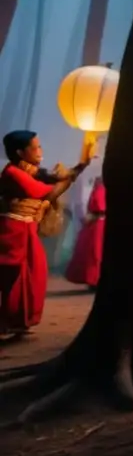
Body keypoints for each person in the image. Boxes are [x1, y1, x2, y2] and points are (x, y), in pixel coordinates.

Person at [0, 131, 89, 334]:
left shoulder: (31, 170)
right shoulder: (13, 173)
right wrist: (71, 176)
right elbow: (45, 190)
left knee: (33, 273)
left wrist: (80, 166)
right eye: (35, 147)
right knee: (13, 276)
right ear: (20, 152)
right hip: (13, 231)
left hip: (27, 227)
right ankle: (8, 320)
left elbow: (54, 179)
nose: (40, 151)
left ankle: (19, 321)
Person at [65, 175, 106, 289]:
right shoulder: (98, 188)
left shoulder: (99, 189)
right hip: (96, 223)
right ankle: (94, 279)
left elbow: (98, 206)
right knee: (94, 252)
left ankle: (95, 279)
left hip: (97, 223)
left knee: (95, 252)